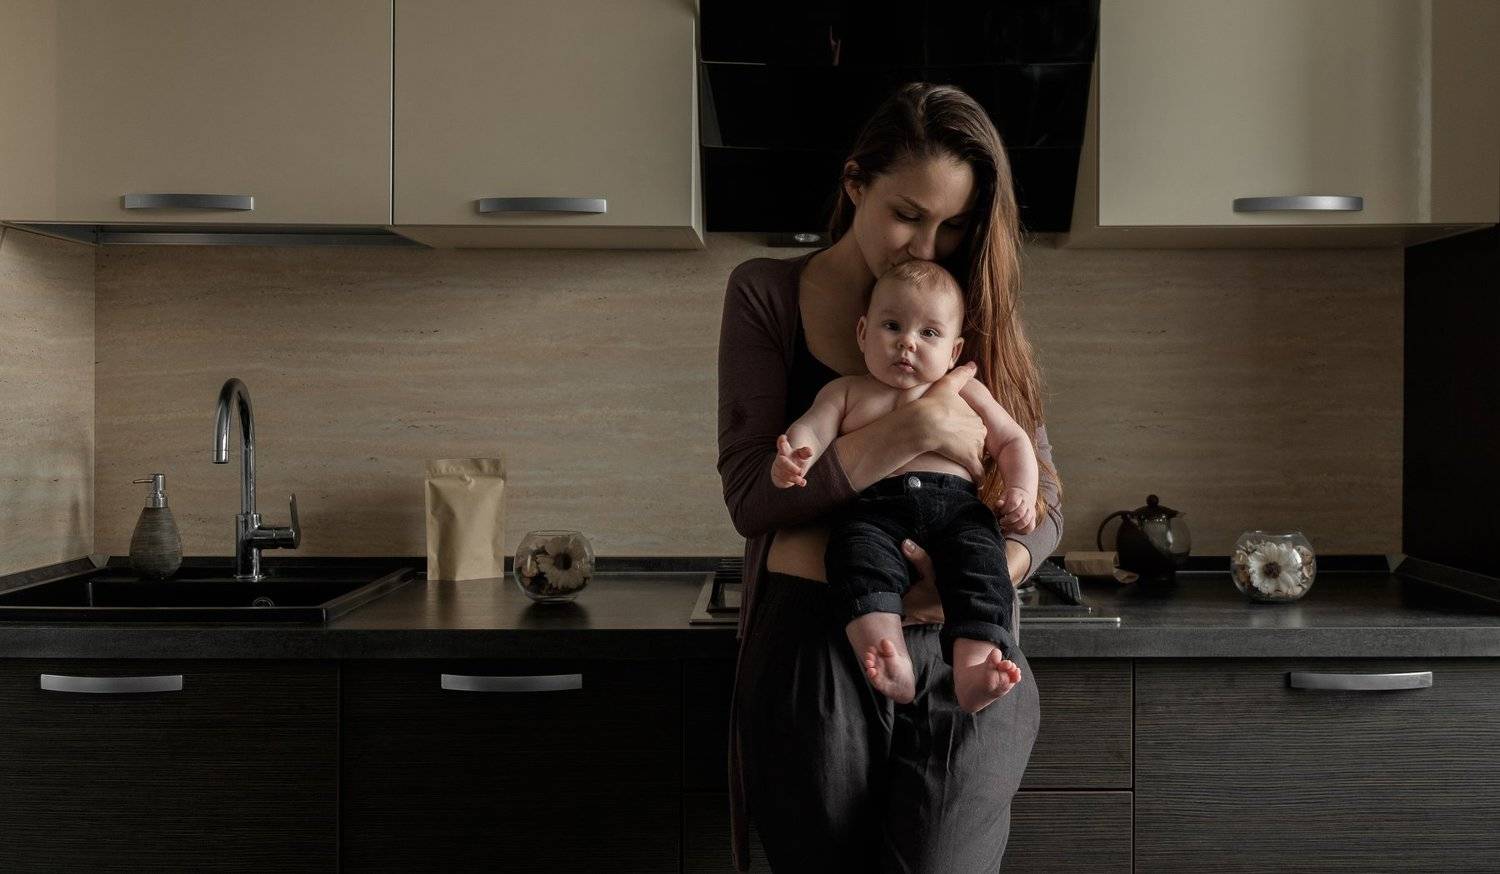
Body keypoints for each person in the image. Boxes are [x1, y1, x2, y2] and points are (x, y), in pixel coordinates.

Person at [717, 82, 1063, 871]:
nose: (926, 247)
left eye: (953, 224)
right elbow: (750, 497)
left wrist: (975, 578)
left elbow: (1046, 509)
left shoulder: (968, 310)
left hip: (968, 643)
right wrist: (910, 428)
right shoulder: (766, 293)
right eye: (908, 213)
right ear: (853, 184)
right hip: (817, 640)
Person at [770, 259, 1039, 714]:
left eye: (929, 334)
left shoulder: (967, 390)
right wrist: (791, 458)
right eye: (892, 325)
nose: (907, 342)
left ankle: (973, 670)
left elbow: (1013, 438)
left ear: (954, 353)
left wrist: (1022, 490)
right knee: (855, 558)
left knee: (982, 568)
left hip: (958, 511)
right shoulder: (846, 391)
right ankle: (886, 652)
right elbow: (811, 432)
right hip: (873, 513)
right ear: (862, 333)